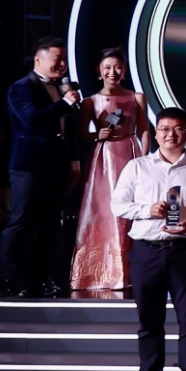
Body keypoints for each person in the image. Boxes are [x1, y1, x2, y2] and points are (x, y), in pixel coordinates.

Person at [115, 107, 186, 371]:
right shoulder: (137, 166)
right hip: (146, 251)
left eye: (178, 128)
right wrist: (148, 210)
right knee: (149, 322)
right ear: (156, 133)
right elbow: (118, 204)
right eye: (165, 128)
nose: (171, 134)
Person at [3, 36, 83, 298]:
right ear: (38, 59)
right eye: (57, 59)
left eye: (64, 59)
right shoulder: (21, 88)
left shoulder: (62, 88)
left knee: (51, 224)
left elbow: (68, 129)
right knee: (21, 221)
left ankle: (43, 279)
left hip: (57, 166)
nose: (62, 64)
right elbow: (32, 119)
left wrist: (73, 161)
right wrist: (65, 103)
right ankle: (9, 278)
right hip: (29, 165)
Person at [74, 47, 148, 292]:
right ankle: (101, 273)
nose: (112, 72)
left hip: (130, 153)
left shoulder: (137, 97)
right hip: (104, 158)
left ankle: (135, 271)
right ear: (99, 71)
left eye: (117, 67)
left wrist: (144, 160)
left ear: (124, 70)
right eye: (107, 68)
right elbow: (82, 133)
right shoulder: (90, 101)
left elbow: (145, 130)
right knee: (103, 211)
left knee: (134, 209)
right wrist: (97, 134)